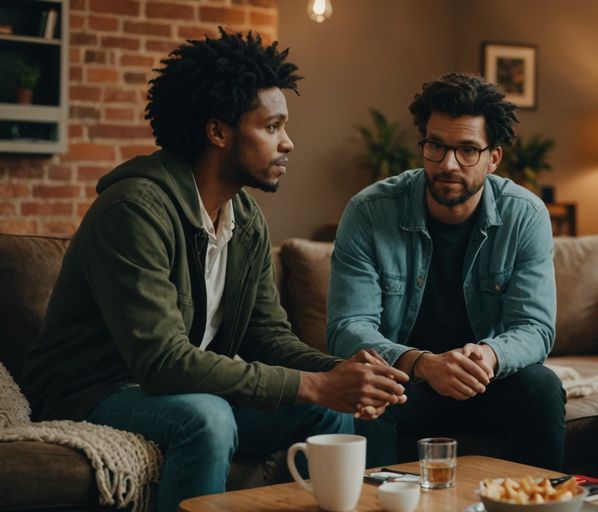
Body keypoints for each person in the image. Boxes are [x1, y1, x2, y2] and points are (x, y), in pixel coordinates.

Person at [22, 29, 408, 512]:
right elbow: (163, 361)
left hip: (176, 391)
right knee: (206, 417)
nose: (288, 143)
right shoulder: (134, 210)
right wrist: (317, 384)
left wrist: (344, 374)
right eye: (271, 127)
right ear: (219, 132)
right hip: (93, 391)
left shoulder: (244, 219)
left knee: (326, 417)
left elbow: (269, 338)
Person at [327, 72, 565, 470]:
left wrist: (489, 355)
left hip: (486, 383)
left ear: (494, 158)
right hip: (405, 385)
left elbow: (535, 327)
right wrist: (424, 364)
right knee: (366, 390)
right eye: (435, 146)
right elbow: (347, 327)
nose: (448, 164)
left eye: (468, 150)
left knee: (540, 387)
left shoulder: (524, 215)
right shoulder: (370, 212)